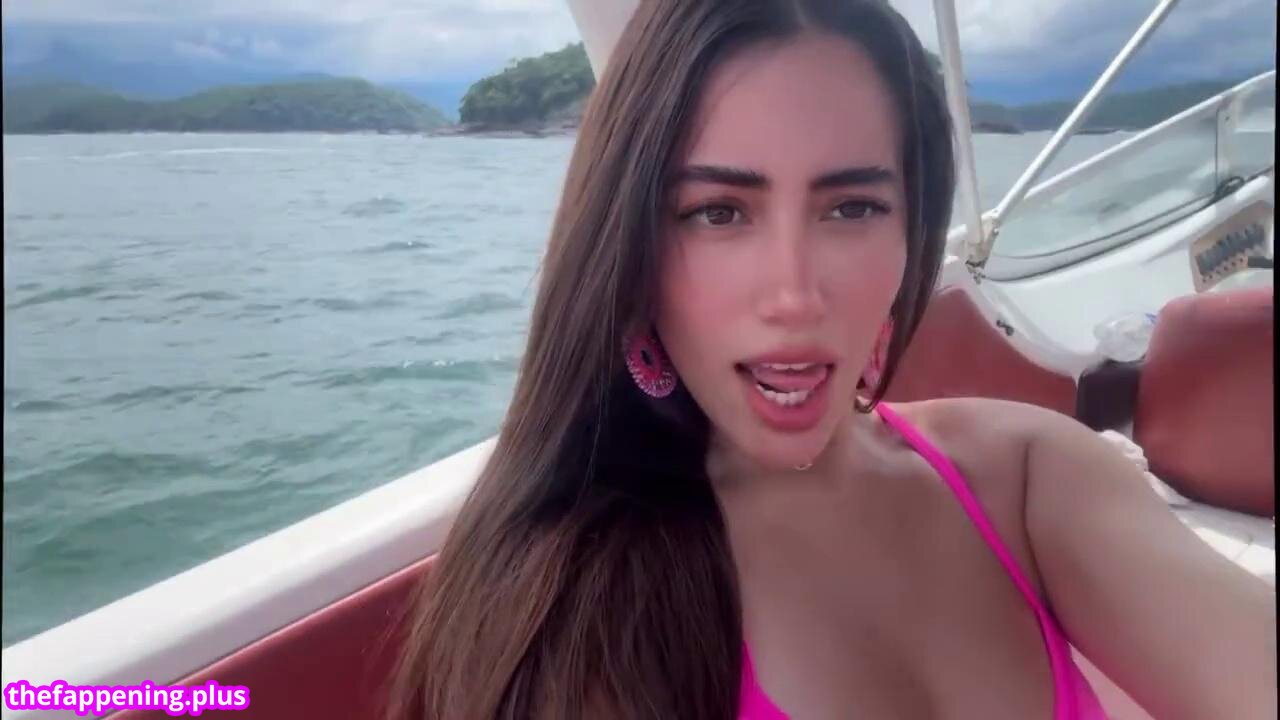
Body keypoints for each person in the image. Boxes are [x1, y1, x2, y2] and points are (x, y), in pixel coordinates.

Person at [387, 1, 1276, 718]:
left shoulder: (1027, 477)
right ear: (634, 247)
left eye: (852, 208)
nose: (795, 295)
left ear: (912, 230)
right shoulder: (579, 602)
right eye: (718, 213)